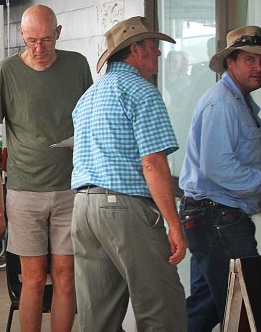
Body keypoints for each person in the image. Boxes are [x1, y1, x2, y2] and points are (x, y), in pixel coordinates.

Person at [0, 4, 92, 332]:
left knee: (66, 277)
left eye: (46, 40)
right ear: (21, 36)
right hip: (25, 191)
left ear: (58, 33)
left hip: (71, 188)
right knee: (32, 279)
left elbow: (91, 119)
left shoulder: (77, 65)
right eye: (31, 41)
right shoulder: (6, 72)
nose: (39, 49)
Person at [70, 17, 187, 331]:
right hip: (123, 207)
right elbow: (153, 164)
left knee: (98, 317)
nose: (158, 55)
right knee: (162, 308)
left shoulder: (88, 98)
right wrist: (174, 224)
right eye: (153, 47)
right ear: (135, 50)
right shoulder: (141, 92)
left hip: (83, 208)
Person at [179, 25, 261, 332]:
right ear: (231, 62)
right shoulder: (223, 103)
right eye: (250, 60)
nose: (259, 68)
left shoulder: (237, 100)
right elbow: (218, 167)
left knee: (206, 310)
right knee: (245, 306)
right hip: (217, 217)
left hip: (215, 216)